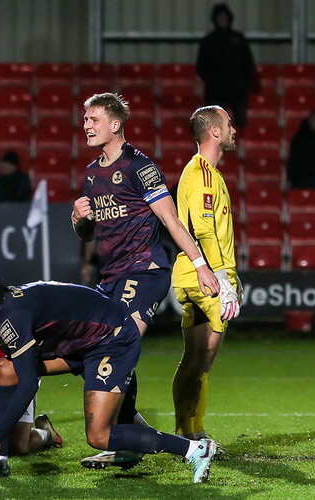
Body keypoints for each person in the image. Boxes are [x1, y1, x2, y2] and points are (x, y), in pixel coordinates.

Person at [70, 92, 220, 469]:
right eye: (85, 120)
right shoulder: (91, 174)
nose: (86, 126)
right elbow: (89, 234)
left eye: (93, 119)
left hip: (143, 272)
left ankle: (132, 438)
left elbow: (171, 220)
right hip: (110, 278)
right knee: (105, 350)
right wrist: (78, 220)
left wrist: (200, 265)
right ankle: (130, 434)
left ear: (115, 124)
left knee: (115, 344)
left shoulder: (140, 166)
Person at [0, 276, 217, 484]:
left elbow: (29, 383)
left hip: (111, 340)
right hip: (79, 344)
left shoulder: (11, 318)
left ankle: (194, 449)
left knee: (99, 435)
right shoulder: (4, 308)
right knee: (5, 370)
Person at [171, 105, 243, 449]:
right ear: (214, 131)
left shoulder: (206, 173)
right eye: (228, 124)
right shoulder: (201, 174)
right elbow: (202, 229)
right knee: (202, 361)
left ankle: (187, 433)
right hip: (204, 278)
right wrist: (222, 278)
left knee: (194, 360)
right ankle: (193, 433)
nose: (234, 130)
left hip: (198, 274)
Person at [196, 3, 258, 130]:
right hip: (215, 90)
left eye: (224, 17)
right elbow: (201, 65)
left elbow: (248, 63)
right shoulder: (209, 41)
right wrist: (210, 81)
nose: (222, 20)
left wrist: (244, 83)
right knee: (215, 124)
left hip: (237, 90)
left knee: (241, 120)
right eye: (219, 17)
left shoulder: (238, 39)